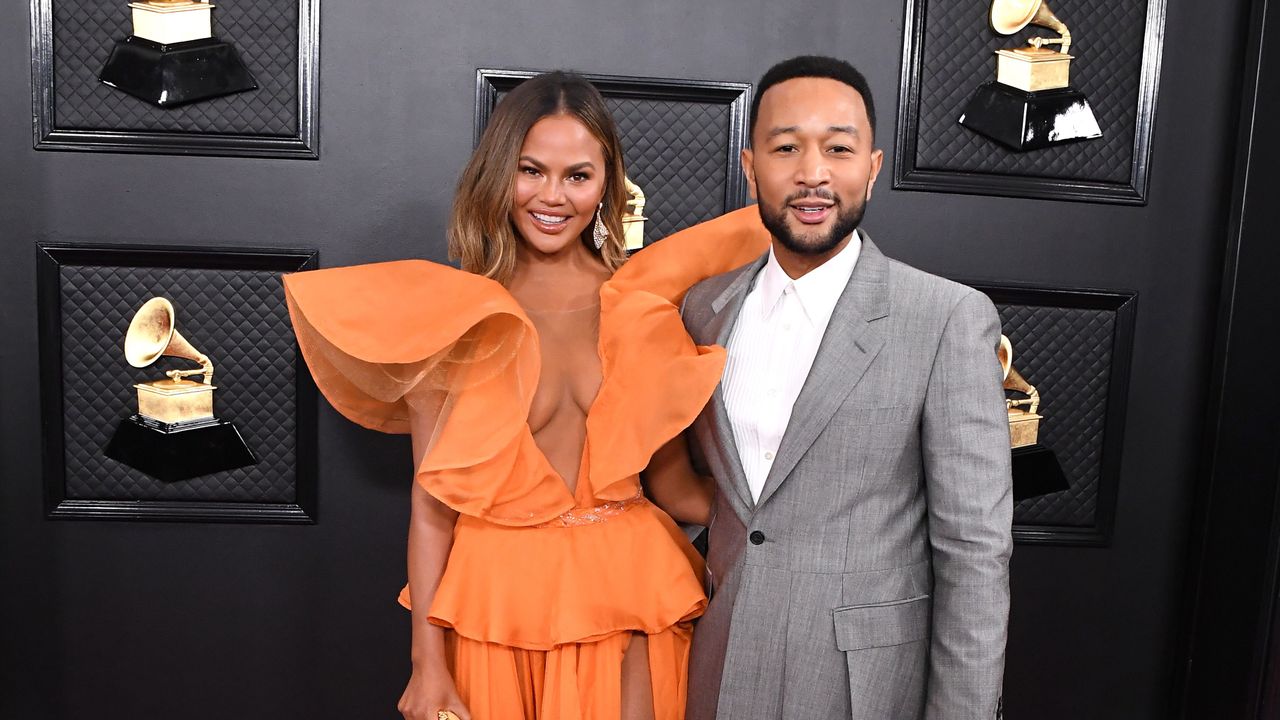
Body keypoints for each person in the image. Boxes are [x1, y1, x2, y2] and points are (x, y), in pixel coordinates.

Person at [281, 72, 767, 720]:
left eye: (577, 176)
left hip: (629, 602)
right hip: (495, 613)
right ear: (500, 172)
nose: (552, 197)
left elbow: (675, 488)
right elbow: (431, 515)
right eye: (531, 170)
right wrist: (427, 666)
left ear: (608, 185)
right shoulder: (454, 318)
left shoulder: (644, 309)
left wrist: (791, 518)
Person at [668, 55, 1013, 719]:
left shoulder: (943, 318)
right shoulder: (702, 310)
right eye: (787, 147)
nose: (813, 173)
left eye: (838, 148)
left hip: (866, 687)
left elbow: (975, 552)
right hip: (721, 665)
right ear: (750, 167)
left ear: (873, 169)